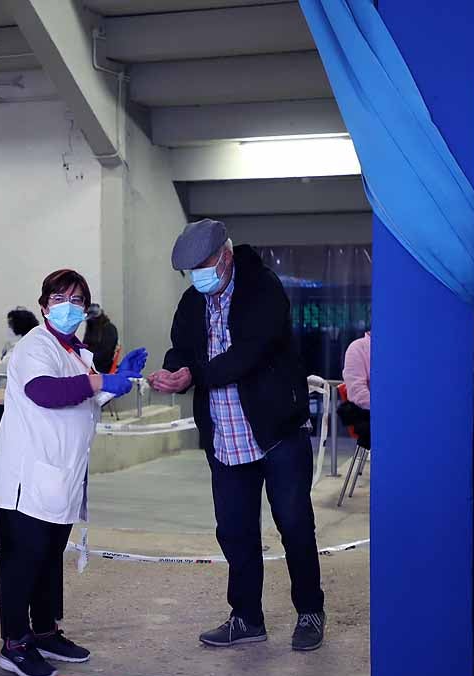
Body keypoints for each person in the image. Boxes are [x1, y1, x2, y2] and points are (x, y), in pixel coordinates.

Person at [148, 219, 325, 652]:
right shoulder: (193, 302)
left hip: (277, 432)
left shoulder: (263, 288)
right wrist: (175, 370)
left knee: (294, 525)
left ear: (225, 257)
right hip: (225, 437)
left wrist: (196, 374)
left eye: (203, 266)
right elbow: (181, 346)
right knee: (235, 530)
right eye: (190, 271)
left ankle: (310, 610)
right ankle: (246, 617)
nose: (197, 277)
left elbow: (249, 353)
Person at [0, 269, 146, 676]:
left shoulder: (78, 352)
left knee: (47, 560)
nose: (68, 307)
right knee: (23, 562)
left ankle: (44, 631)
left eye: (77, 300)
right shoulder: (34, 347)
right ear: (44, 306)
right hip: (29, 477)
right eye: (60, 298)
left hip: (62, 477)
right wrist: (99, 380)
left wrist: (117, 381)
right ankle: (14, 644)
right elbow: (45, 391)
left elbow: (85, 397)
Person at [0, 307, 39, 456]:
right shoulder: (24, 343)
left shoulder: (21, 345)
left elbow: (3, 368)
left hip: (9, 397)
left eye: (10, 324)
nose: (7, 328)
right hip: (9, 392)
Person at [340, 330, 371, 448]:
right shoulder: (358, 348)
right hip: (370, 415)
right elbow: (357, 394)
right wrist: (386, 410)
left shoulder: (396, 349)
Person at [82, 304, 119, 374]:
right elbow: (85, 345)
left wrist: (87, 360)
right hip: (90, 365)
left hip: (102, 367)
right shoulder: (91, 327)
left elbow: (105, 352)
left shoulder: (109, 328)